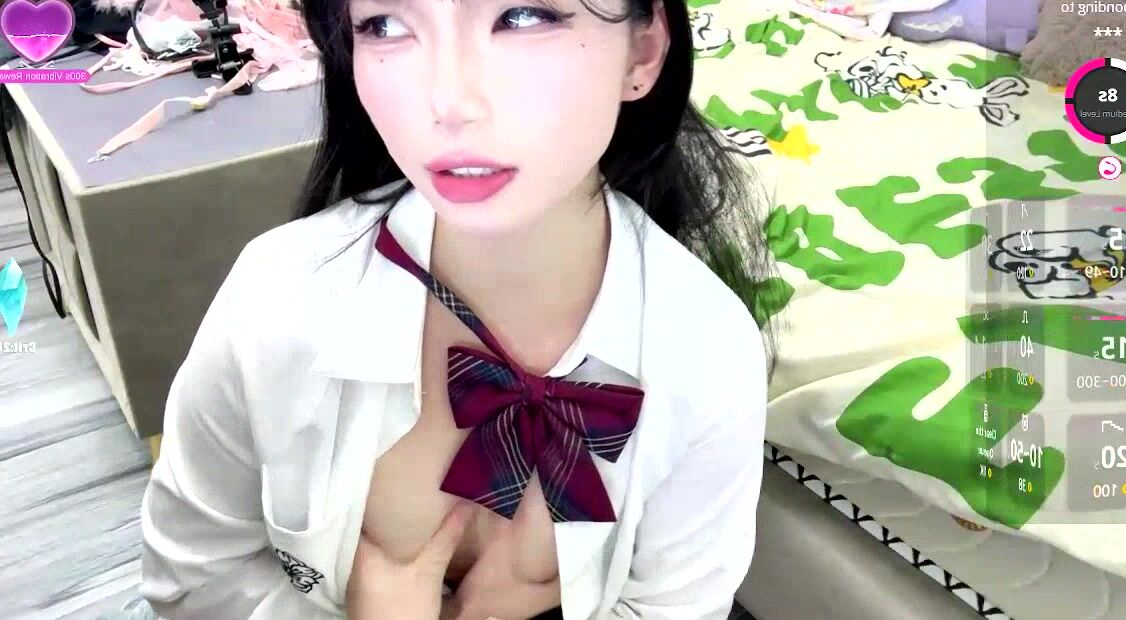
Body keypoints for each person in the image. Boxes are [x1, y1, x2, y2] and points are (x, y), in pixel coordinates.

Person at [139, 0, 779, 618]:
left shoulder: (709, 350)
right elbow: (192, 581)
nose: (447, 103)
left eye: (523, 16)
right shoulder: (276, 297)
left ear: (643, 50)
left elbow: (675, 607)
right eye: (385, 24)